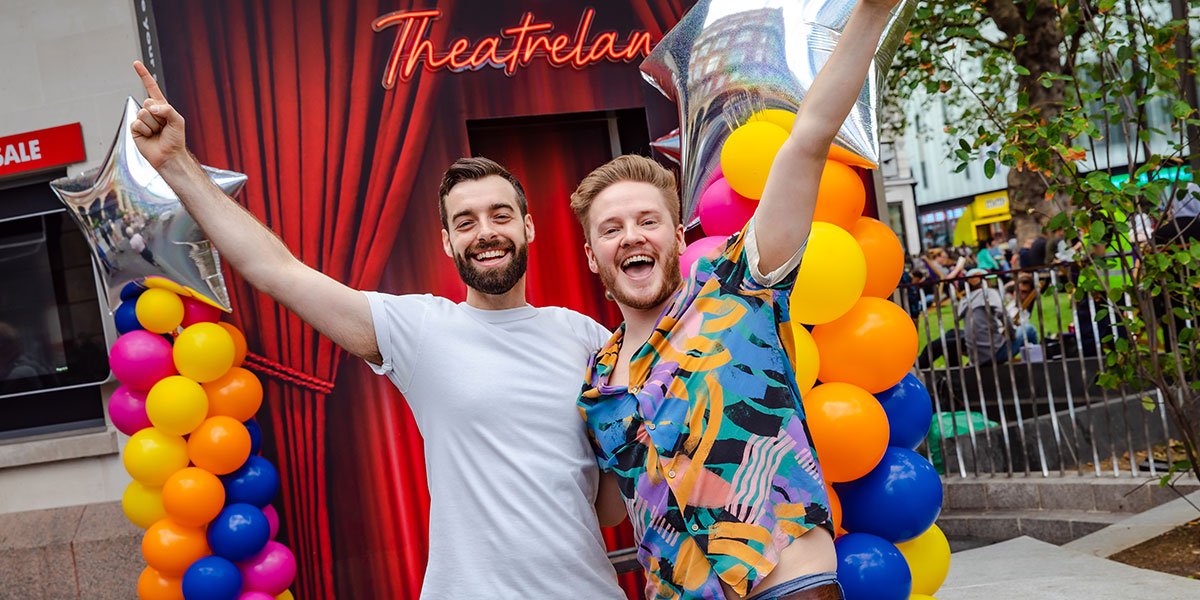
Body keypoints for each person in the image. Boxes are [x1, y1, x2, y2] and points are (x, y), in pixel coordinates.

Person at [127, 62, 625, 599]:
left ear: (527, 226)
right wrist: (177, 163)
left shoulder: (589, 338)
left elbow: (606, 503)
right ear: (446, 242)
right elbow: (277, 271)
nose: (486, 233)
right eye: (465, 222)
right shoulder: (421, 330)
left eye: (500, 215)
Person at [570, 2, 898, 599]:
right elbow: (611, 509)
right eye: (611, 229)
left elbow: (808, 139)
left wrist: (870, 16)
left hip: (788, 584)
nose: (632, 236)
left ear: (676, 234)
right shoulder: (597, 385)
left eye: (648, 220)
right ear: (592, 256)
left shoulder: (738, 287)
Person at [918, 269, 1013, 369]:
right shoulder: (975, 295)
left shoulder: (988, 293)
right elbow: (958, 315)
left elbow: (1002, 314)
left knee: (941, 345)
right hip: (977, 333)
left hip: (987, 337)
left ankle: (921, 367)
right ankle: (955, 372)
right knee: (951, 333)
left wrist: (1010, 331)